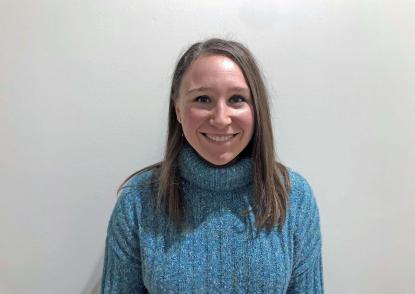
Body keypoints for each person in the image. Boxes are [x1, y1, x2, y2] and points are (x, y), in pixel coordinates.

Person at [101, 38, 323, 293]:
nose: (220, 119)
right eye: (203, 99)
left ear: (256, 109)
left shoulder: (293, 197)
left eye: (237, 99)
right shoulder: (138, 201)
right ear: (178, 109)